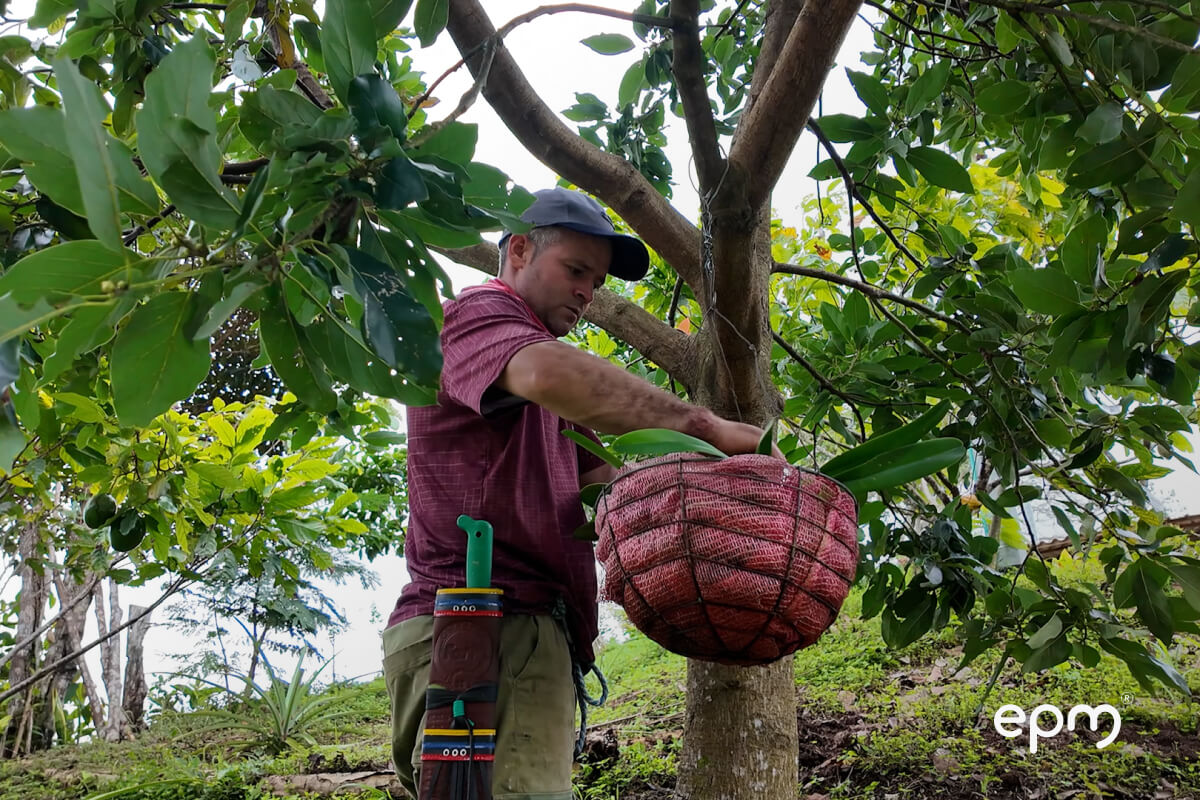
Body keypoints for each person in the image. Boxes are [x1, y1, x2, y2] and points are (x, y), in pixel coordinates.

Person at [382, 188, 771, 800]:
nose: (588, 292)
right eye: (576, 270)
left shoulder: (550, 398)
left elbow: (611, 491)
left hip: (525, 637)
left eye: (597, 280)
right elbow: (550, 373)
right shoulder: (479, 314)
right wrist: (708, 427)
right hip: (484, 627)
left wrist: (730, 511)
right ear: (517, 249)